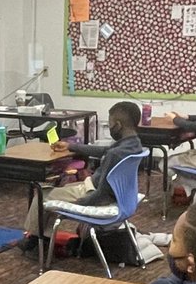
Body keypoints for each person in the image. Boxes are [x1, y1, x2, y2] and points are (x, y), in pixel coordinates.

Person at [19, 100, 144, 252]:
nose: (110, 127)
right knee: (59, 189)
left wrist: (79, 203)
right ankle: (43, 238)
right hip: (122, 196)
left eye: (110, 123)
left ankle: (35, 239)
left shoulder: (115, 154)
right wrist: (71, 146)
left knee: (42, 193)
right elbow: (104, 151)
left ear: (117, 125)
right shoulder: (134, 144)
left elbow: (101, 194)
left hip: (94, 194)